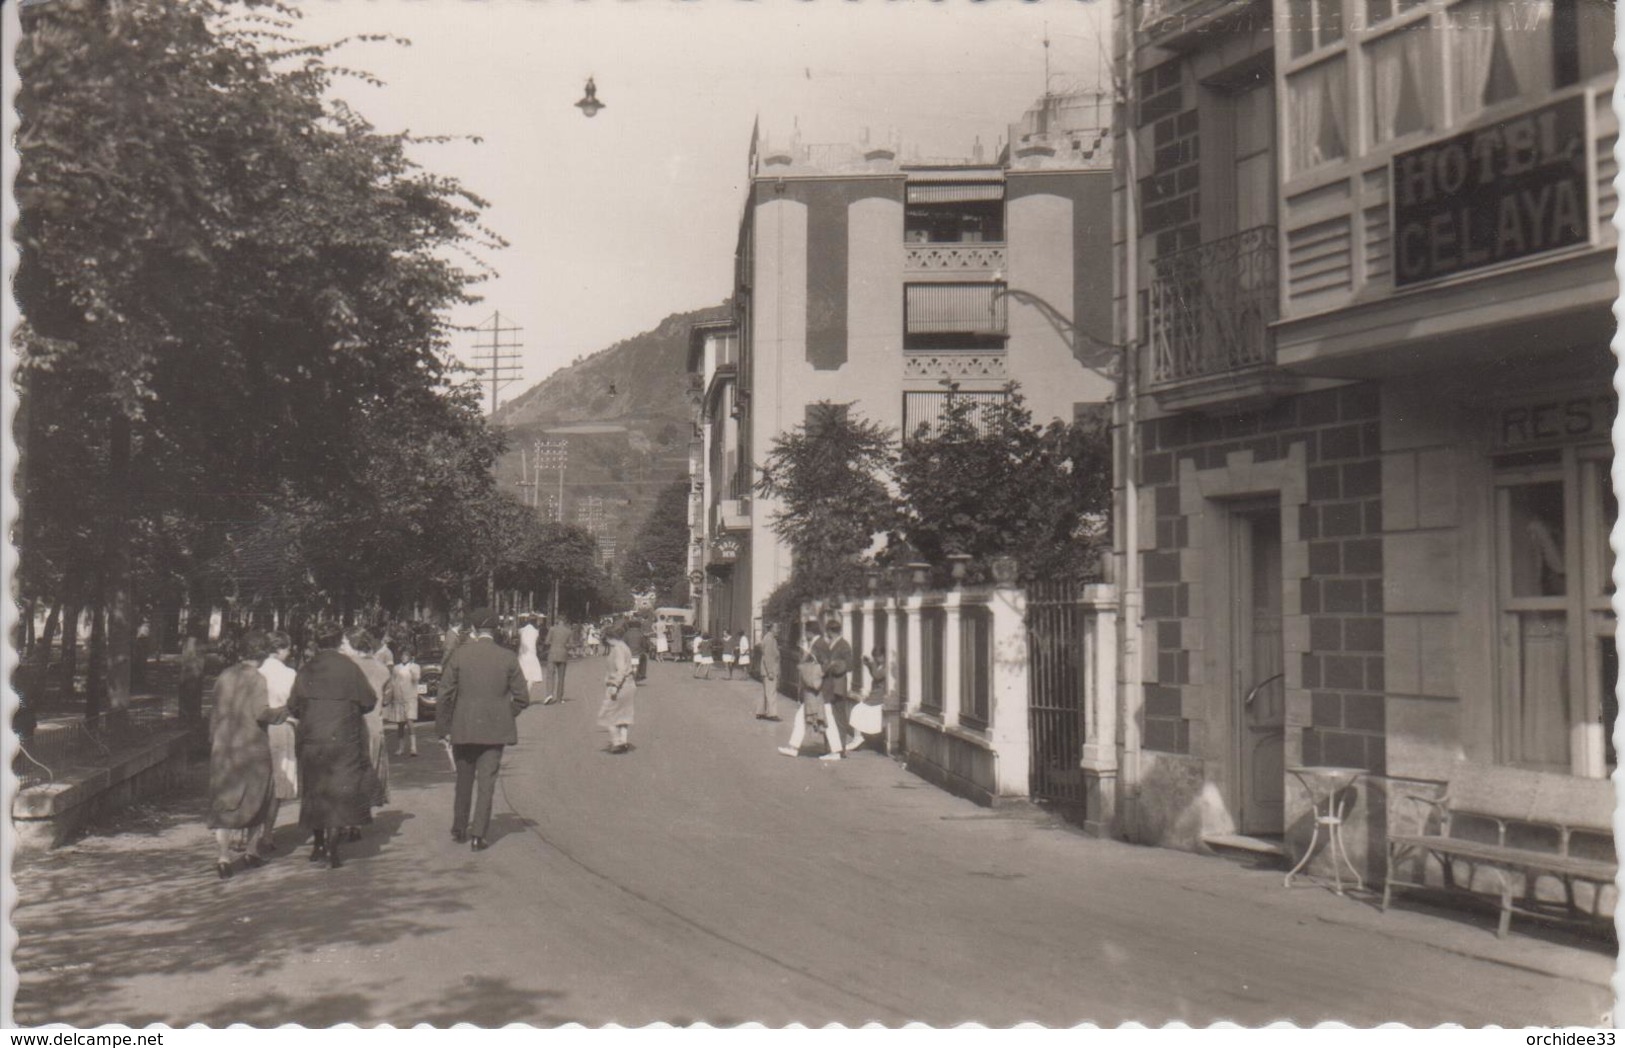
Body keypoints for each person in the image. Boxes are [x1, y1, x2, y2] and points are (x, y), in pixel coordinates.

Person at [436, 608, 530, 851]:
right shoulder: (508, 657)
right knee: (487, 783)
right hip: (495, 731)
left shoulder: (459, 655)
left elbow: (444, 693)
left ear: (475, 630)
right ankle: (479, 835)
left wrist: (443, 727)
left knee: (464, 778)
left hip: (463, 727)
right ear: (495, 630)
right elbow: (522, 697)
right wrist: (504, 713)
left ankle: (459, 827)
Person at [288, 623, 377, 869]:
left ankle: (317, 844)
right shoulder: (350, 668)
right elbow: (369, 701)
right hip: (344, 738)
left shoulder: (307, 669)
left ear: (316, 643)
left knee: (315, 790)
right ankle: (333, 845)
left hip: (313, 739)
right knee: (340, 790)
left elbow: (293, 705)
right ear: (339, 642)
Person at [207, 630, 283, 878]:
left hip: (224, 746)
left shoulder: (225, 675)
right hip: (252, 747)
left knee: (225, 800)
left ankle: (223, 856)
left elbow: (215, 710)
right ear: (261, 655)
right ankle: (251, 851)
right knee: (256, 797)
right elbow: (261, 712)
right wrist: (282, 712)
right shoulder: (257, 678)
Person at [778, 620, 846, 760]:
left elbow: (826, 665)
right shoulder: (819, 643)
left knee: (826, 720)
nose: (805, 635)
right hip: (820, 690)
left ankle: (835, 751)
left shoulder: (819, 645)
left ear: (810, 632)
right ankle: (794, 747)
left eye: (806, 632)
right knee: (807, 717)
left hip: (821, 690)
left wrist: (816, 673)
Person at [342, 627, 391, 817]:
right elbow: (387, 698)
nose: (342, 647)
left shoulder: (347, 667)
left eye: (345, 643)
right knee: (370, 769)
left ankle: (353, 818)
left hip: (352, 727)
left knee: (351, 771)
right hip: (375, 726)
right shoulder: (382, 668)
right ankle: (363, 813)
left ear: (354, 645)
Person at [258, 630, 299, 857]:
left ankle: (247, 832)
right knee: (278, 782)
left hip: (260, 729)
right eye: (287, 648)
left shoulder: (257, 672)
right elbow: (295, 704)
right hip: (283, 727)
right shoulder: (291, 674)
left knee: (260, 779)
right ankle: (267, 833)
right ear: (281, 649)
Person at [816, 616, 858, 754]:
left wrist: (834, 665)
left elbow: (850, 665)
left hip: (838, 686)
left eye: (828, 631)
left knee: (839, 717)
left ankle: (841, 748)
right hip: (828, 686)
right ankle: (830, 747)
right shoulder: (830, 644)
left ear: (830, 631)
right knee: (829, 716)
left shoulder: (844, 645)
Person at [599, 621, 637, 754]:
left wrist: (615, 685)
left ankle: (616, 742)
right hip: (629, 684)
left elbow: (620, 669)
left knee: (609, 715)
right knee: (624, 715)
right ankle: (624, 740)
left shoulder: (617, 649)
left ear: (609, 638)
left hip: (620, 686)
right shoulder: (624, 647)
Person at [383, 646, 422, 758]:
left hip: (410, 698)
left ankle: (413, 747)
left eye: (406, 655)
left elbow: (416, 679)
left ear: (410, 657)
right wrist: (387, 698)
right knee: (400, 724)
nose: (404, 657)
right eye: (402, 655)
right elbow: (392, 683)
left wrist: (412, 670)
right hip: (398, 698)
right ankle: (400, 747)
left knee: (410, 722)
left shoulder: (415, 667)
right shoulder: (396, 668)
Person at [178, 630, 207, 724]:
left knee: (188, 701)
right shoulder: (195, 642)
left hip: (189, 675)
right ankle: (191, 721)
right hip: (193, 674)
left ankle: (187, 720)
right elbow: (194, 660)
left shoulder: (188, 642)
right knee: (192, 700)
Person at [754, 623, 780, 721]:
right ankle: (772, 714)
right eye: (777, 628)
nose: (778, 630)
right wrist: (770, 671)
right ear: (772, 629)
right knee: (771, 692)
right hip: (770, 670)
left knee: (764, 691)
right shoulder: (770, 639)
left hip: (765, 670)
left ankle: (760, 712)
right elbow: (768, 657)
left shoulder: (768, 638)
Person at [517, 615, 545, 703]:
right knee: (530, 678)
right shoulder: (536, 631)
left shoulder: (521, 630)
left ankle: (519, 696)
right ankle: (527, 696)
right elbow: (538, 642)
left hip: (522, 655)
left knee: (521, 676)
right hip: (532, 655)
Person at [545, 614, 573, 703]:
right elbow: (570, 644)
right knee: (561, 677)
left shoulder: (552, 629)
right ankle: (559, 698)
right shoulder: (568, 631)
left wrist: (553, 643)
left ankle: (549, 694)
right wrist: (565, 645)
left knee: (550, 675)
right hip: (563, 655)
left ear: (557, 620)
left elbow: (546, 642)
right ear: (565, 621)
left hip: (552, 654)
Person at [625, 618, 647, 683]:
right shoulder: (641, 634)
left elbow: (623, 643)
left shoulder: (626, 634)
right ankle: (642, 674)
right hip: (638, 653)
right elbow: (644, 644)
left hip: (628, 654)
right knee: (644, 659)